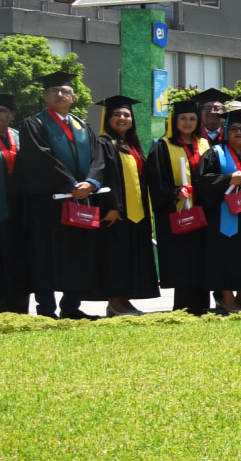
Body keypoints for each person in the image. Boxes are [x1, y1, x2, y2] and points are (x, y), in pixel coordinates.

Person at [20, 69, 104, 318]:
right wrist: (71, 184)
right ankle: (46, 309)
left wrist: (90, 183)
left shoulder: (83, 126)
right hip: (49, 203)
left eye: (65, 91)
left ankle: (71, 307)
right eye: (54, 91)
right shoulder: (33, 123)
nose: (60, 94)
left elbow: (98, 158)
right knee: (45, 255)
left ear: (73, 97)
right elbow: (40, 157)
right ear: (44, 96)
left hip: (81, 201)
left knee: (77, 253)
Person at [92, 95, 160, 315]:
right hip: (117, 214)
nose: (122, 118)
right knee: (116, 258)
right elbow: (105, 175)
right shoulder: (104, 143)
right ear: (108, 118)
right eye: (117, 114)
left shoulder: (132, 145)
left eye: (126, 115)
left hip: (137, 213)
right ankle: (115, 301)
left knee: (130, 258)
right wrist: (112, 206)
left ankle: (124, 300)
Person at [197, 109, 241, 313]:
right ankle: (226, 298)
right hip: (223, 216)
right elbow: (203, 181)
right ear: (226, 131)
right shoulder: (215, 153)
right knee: (224, 256)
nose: (239, 133)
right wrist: (228, 179)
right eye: (234, 129)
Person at [145, 99, 210, 316]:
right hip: (177, 212)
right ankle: (182, 306)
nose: (187, 123)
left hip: (203, 212)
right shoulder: (163, 146)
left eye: (192, 119)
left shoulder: (205, 144)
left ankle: (202, 305)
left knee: (201, 256)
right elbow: (155, 180)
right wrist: (174, 192)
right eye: (183, 118)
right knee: (182, 258)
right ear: (175, 121)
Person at [0, 99, 23, 316]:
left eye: (3, 110)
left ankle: (18, 307)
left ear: (12, 115)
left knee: (18, 257)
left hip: (19, 208)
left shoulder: (19, 138)